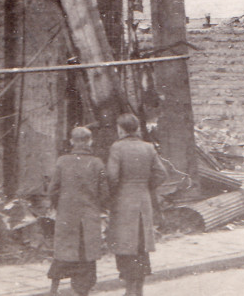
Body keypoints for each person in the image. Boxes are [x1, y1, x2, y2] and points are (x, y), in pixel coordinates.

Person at [107, 113, 167, 296]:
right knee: (141, 246)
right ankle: (138, 290)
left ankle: (128, 291)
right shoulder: (148, 148)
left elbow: (112, 176)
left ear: (121, 129)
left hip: (124, 202)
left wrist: (112, 194)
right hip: (143, 201)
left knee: (125, 245)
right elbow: (161, 173)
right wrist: (146, 186)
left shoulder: (117, 147)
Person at [47, 127, 109, 296]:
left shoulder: (62, 161)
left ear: (72, 142)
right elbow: (104, 193)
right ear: (90, 141)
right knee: (87, 255)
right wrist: (99, 206)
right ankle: (82, 292)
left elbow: (52, 189)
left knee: (63, 252)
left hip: (67, 215)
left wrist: (59, 206)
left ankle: (54, 289)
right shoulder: (97, 163)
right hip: (89, 216)